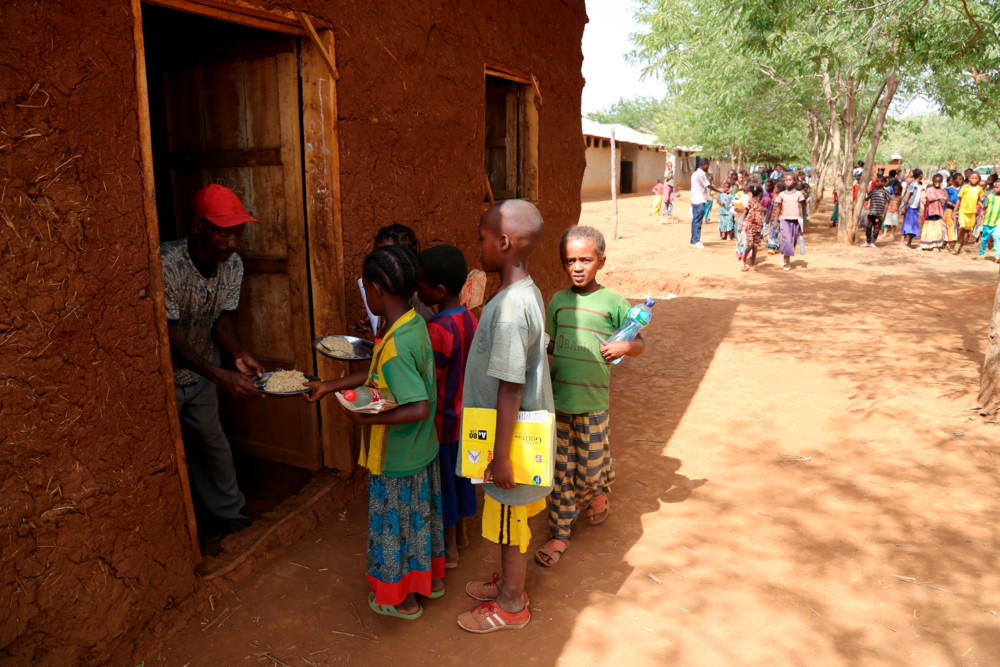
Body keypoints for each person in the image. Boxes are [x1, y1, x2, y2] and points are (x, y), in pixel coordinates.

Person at [306, 244, 444, 620]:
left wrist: (365, 420)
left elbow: (417, 406)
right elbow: (375, 375)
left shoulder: (397, 345)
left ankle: (402, 599)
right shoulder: (411, 324)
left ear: (378, 289)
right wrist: (328, 386)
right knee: (417, 524)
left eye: (365, 286)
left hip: (397, 458)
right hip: (420, 452)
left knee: (393, 529)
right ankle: (426, 582)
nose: (365, 294)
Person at [457, 200, 553, 633]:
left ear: (503, 242)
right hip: (506, 436)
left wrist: (500, 456)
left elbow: (511, 385)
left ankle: (512, 604)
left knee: (512, 519)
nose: (478, 244)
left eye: (481, 237)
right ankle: (507, 586)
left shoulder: (513, 308)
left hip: (510, 441)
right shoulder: (520, 292)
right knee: (505, 515)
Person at [535, 226, 645, 569]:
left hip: (594, 406)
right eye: (570, 260)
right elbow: (552, 343)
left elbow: (639, 342)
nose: (578, 267)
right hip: (560, 404)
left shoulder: (613, 303)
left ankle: (596, 490)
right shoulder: (558, 301)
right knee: (560, 473)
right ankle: (560, 533)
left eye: (586, 259)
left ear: (601, 261)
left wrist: (626, 345)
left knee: (589, 469)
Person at [163, 184, 265, 536]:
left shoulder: (232, 265)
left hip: (203, 371)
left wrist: (237, 354)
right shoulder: (167, 264)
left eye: (238, 233)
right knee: (167, 458)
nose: (233, 242)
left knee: (214, 446)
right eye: (225, 232)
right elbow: (169, 335)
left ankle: (228, 514)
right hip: (166, 378)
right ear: (197, 226)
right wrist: (220, 376)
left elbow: (222, 322)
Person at [416, 245, 479, 569]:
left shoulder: (436, 330)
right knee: (461, 479)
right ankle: (464, 535)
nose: (417, 290)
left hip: (441, 425)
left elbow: (431, 381)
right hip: (464, 420)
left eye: (421, 285)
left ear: (438, 291)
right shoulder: (469, 317)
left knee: (444, 489)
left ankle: (450, 549)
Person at [774, 173, 805, 270]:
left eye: (790, 180)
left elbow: (800, 208)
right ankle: (787, 262)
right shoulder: (781, 194)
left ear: (794, 181)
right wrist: (775, 220)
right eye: (786, 180)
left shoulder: (798, 194)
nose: (788, 182)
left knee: (792, 241)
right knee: (787, 240)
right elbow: (778, 208)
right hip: (784, 220)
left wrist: (802, 220)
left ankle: (784, 253)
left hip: (795, 220)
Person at [689, 157, 721, 249]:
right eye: (708, 165)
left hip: (695, 199)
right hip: (700, 200)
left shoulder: (695, 174)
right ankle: (696, 241)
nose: (708, 166)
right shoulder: (701, 174)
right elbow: (709, 186)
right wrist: (720, 191)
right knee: (698, 221)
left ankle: (693, 240)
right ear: (703, 165)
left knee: (695, 220)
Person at [955, 172, 984, 254]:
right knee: (962, 227)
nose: (974, 180)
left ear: (979, 179)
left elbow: (978, 200)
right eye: (972, 178)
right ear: (968, 179)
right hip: (963, 211)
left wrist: (983, 207)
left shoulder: (979, 189)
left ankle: (961, 247)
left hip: (972, 213)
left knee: (967, 231)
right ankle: (957, 244)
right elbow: (959, 199)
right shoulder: (965, 187)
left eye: (976, 178)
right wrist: (954, 210)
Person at [920, 174, 948, 251]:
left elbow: (945, 200)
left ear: (941, 182)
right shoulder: (929, 189)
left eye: (939, 181)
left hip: (939, 211)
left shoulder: (943, 191)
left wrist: (943, 200)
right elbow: (929, 198)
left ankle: (936, 245)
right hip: (931, 211)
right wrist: (940, 197)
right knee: (929, 227)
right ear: (933, 181)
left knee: (937, 228)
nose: (937, 183)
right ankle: (925, 244)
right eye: (936, 181)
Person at [740, 184, 764, 272]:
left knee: (755, 246)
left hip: (757, 227)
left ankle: (752, 265)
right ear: (760, 193)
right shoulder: (750, 202)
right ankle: (743, 259)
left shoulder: (759, 203)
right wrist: (741, 224)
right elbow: (745, 212)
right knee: (750, 245)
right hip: (749, 226)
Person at [862, 175, 890, 248]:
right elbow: (867, 198)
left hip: (879, 214)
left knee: (876, 228)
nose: (876, 182)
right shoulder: (873, 191)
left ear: (883, 183)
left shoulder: (886, 192)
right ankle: (868, 241)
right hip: (871, 213)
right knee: (868, 227)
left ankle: (872, 242)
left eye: (878, 181)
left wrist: (884, 214)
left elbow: (887, 203)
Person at [900, 168, 924, 248]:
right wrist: (904, 209)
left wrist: (923, 202)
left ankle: (909, 243)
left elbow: (919, 197)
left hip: (915, 208)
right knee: (907, 225)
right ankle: (901, 243)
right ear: (920, 175)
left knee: (914, 225)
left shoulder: (919, 185)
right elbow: (907, 197)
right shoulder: (913, 185)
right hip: (910, 208)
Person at [977, 186, 1000, 262]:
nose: (995, 189)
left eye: (997, 187)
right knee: (984, 239)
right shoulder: (990, 197)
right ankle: (981, 254)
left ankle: (998, 256)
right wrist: (979, 220)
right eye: (995, 187)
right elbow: (984, 209)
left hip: (998, 223)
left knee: (997, 238)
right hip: (987, 222)